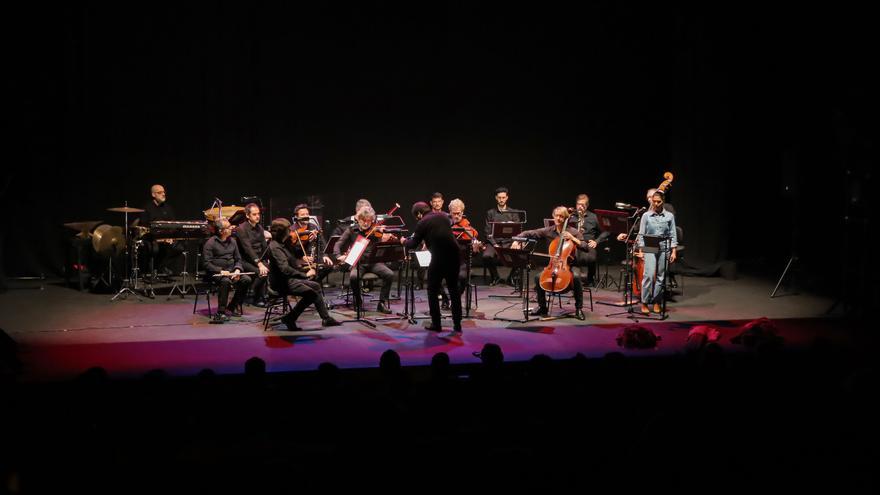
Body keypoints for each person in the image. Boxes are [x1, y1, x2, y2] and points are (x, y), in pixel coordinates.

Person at [511, 206, 587, 320]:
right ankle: (542, 307)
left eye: (561, 216)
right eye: (556, 216)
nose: (558, 218)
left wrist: (573, 238)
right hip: (553, 265)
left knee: (576, 277)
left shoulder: (573, 232)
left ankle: (578, 309)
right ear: (553, 217)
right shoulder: (549, 231)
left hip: (570, 266)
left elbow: (585, 247)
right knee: (538, 278)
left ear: (566, 218)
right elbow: (529, 233)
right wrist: (517, 240)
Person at [267, 218, 340, 330]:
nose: (291, 232)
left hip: (287, 279)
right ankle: (290, 318)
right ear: (283, 232)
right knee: (311, 294)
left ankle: (326, 318)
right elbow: (285, 269)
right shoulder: (275, 247)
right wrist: (305, 275)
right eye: (288, 230)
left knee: (315, 286)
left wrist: (310, 240)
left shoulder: (283, 243)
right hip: (281, 282)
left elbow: (295, 254)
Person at [403, 202, 463, 333]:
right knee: (453, 289)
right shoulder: (443, 215)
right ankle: (457, 325)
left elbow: (413, 244)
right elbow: (448, 224)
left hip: (439, 257)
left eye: (416, 216)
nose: (417, 218)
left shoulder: (422, 222)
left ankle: (437, 324)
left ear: (419, 214)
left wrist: (403, 242)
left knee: (432, 290)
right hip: (454, 254)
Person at [334, 206, 396, 314]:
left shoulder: (375, 230)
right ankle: (358, 302)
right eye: (363, 220)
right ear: (358, 219)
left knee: (389, 274)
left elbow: (383, 243)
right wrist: (338, 255)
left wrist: (384, 238)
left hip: (373, 262)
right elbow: (338, 243)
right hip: (358, 263)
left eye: (369, 220)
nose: (366, 223)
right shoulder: (352, 230)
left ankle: (382, 303)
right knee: (354, 277)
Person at [202, 218, 252, 323]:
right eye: (228, 227)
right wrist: (220, 271)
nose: (231, 228)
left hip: (231, 271)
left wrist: (237, 269)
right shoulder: (210, 243)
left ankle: (232, 305)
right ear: (221, 231)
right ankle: (221, 312)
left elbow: (238, 259)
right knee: (225, 281)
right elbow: (206, 264)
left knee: (246, 279)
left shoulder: (233, 241)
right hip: (216, 274)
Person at [636, 190, 677, 314]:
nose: (656, 204)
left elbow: (673, 234)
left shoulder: (669, 216)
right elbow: (641, 234)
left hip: (664, 247)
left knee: (661, 276)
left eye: (658, 202)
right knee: (648, 275)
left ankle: (657, 302)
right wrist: (641, 250)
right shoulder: (646, 216)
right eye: (654, 202)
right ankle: (644, 302)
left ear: (663, 202)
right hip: (650, 247)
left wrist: (673, 251)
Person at [139, 184, 183, 277]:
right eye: (160, 192)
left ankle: (160, 266)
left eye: (164, 192)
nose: (163, 194)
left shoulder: (168, 208)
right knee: (155, 249)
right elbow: (144, 227)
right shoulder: (147, 208)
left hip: (166, 238)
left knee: (179, 248)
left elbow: (173, 225)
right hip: (152, 239)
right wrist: (159, 238)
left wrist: (170, 237)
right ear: (153, 195)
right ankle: (152, 270)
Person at [483, 186, 521, 286]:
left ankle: (511, 277)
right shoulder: (490, 213)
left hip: (509, 242)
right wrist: (495, 244)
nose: (501, 200)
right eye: (499, 197)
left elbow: (518, 232)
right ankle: (495, 277)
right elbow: (487, 232)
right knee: (487, 256)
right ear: (496, 198)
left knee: (521, 253)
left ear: (507, 198)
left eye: (503, 197)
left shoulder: (513, 213)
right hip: (494, 242)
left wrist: (515, 242)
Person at [234, 203, 269, 307]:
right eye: (254, 214)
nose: (257, 216)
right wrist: (259, 264)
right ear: (247, 216)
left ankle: (259, 296)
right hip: (245, 260)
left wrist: (266, 260)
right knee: (262, 272)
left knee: (270, 269)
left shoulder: (260, 228)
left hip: (258, 259)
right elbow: (248, 249)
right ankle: (253, 294)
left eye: (258, 214)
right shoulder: (241, 229)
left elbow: (264, 246)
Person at [291, 203, 335, 285]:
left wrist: (325, 255)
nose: (306, 216)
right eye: (303, 214)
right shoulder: (293, 230)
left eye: (307, 214)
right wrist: (303, 257)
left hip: (313, 257)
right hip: (299, 258)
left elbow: (322, 242)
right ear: (297, 217)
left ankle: (313, 283)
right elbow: (291, 249)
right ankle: (310, 283)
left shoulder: (313, 226)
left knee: (329, 266)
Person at [572, 193, 608, 286]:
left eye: (583, 205)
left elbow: (606, 231)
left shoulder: (594, 217)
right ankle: (570, 278)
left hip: (587, 244)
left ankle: (590, 279)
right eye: (578, 204)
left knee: (591, 258)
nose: (580, 207)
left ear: (587, 205)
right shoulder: (571, 216)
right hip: (572, 243)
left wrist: (596, 241)